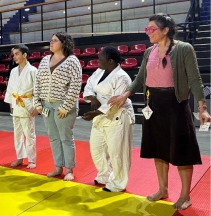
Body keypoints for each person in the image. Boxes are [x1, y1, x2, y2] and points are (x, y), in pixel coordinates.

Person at [108, 14, 211, 210]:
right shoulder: (149, 52)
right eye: (147, 29)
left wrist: (202, 108)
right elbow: (139, 79)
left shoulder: (183, 49)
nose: (148, 32)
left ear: (165, 30)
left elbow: (195, 80)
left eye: (152, 29)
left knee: (181, 151)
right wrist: (125, 95)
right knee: (158, 149)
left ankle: (185, 195)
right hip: (153, 103)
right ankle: (163, 189)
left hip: (176, 103)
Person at [82, 46, 135, 192]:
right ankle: (104, 175)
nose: (97, 61)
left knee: (117, 152)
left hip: (118, 116)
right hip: (100, 116)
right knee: (96, 148)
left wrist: (95, 113)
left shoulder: (122, 78)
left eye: (100, 59)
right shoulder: (99, 71)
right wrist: (92, 97)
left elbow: (117, 102)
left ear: (111, 61)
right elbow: (89, 85)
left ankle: (118, 183)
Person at [34, 32, 82, 181]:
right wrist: (37, 103)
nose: (51, 42)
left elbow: (75, 86)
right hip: (47, 105)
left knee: (66, 138)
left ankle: (69, 169)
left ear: (64, 43)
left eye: (55, 40)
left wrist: (65, 107)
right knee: (54, 138)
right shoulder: (44, 60)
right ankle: (57, 166)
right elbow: (38, 83)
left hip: (63, 106)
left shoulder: (72, 61)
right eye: (51, 40)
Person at [4, 45, 39, 169]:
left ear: (25, 55)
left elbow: (38, 90)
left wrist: (37, 107)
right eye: (13, 54)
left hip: (27, 104)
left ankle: (32, 159)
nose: (14, 57)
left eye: (17, 54)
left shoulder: (33, 70)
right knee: (17, 134)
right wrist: (10, 103)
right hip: (16, 104)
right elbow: (10, 89)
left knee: (29, 134)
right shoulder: (13, 71)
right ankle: (19, 157)